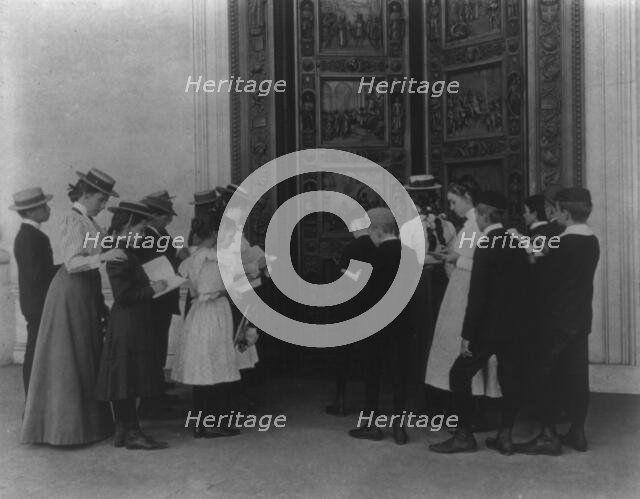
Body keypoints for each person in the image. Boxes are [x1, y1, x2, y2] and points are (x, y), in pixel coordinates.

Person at [21, 168, 124, 445]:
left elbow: (101, 247)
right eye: (101, 199)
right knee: (70, 357)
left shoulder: (88, 219)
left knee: (84, 353)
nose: (104, 205)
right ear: (87, 194)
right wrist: (104, 257)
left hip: (84, 291)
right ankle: (66, 430)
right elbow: (72, 262)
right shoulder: (72, 219)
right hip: (70, 291)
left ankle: (89, 426)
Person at [429, 192, 528, 454]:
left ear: (483, 216)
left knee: (458, 374)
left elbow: (477, 296)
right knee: (510, 378)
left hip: (486, 330)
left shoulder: (485, 245)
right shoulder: (516, 243)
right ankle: (505, 435)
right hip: (514, 327)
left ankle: (463, 435)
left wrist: (467, 334)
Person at [516, 187, 600, 455]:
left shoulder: (563, 243)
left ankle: (548, 435)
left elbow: (543, 282)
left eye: (557, 209)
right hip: (580, 318)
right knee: (577, 376)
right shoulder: (591, 240)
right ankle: (577, 432)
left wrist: (529, 255)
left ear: (565, 212)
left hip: (555, 320)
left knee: (542, 374)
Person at [424, 178, 502, 419]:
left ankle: (465, 403)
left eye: (454, 201)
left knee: (459, 341)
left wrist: (446, 257)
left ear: (467, 197)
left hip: (465, 289)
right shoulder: (470, 225)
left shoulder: (473, 225)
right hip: (461, 286)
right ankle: (462, 399)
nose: (451, 207)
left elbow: (464, 257)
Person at [96, 202, 169, 450]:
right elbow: (123, 295)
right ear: (127, 225)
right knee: (129, 377)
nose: (141, 235)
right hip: (129, 323)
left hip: (129, 322)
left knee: (124, 376)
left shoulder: (122, 249)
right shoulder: (119, 253)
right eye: (139, 229)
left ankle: (123, 430)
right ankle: (133, 433)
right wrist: (152, 289)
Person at [348, 207, 419, 445]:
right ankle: (399, 428)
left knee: (373, 373)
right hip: (404, 324)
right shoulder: (411, 253)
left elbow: (364, 293)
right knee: (399, 374)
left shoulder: (375, 258)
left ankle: (371, 425)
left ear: (378, 231)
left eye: (370, 232)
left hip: (377, 324)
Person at [171, 212, 241, 438]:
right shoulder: (213, 259)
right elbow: (219, 288)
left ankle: (202, 422)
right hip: (214, 312)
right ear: (213, 234)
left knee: (203, 366)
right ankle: (210, 422)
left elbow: (193, 287)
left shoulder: (190, 258)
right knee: (214, 364)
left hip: (197, 314)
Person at [325, 210, 376, 417]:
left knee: (343, 355)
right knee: (371, 358)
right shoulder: (378, 247)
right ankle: (371, 404)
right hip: (373, 309)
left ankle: (341, 401)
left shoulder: (351, 248)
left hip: (350, 309)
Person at [136, 190, 181, 416]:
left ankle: (157, 393)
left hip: (163, 298)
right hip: (156, 300)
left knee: (159, 347)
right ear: (153, 216)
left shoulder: (158, 233)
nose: (169, 220)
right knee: (153, 349)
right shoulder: (148, 236)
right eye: (165, 216)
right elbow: (155, 266)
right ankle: (151, 401)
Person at [10, 187, 58, 397]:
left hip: (34, 302)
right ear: (30, 212)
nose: (48, 209)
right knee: (35, 353)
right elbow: (38, 275)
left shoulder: (28, 235)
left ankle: (34, 402)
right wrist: (66, 268)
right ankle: (32, 403)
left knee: (36, 351)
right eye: (43, 206)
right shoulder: (32, 237)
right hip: (38, 304)